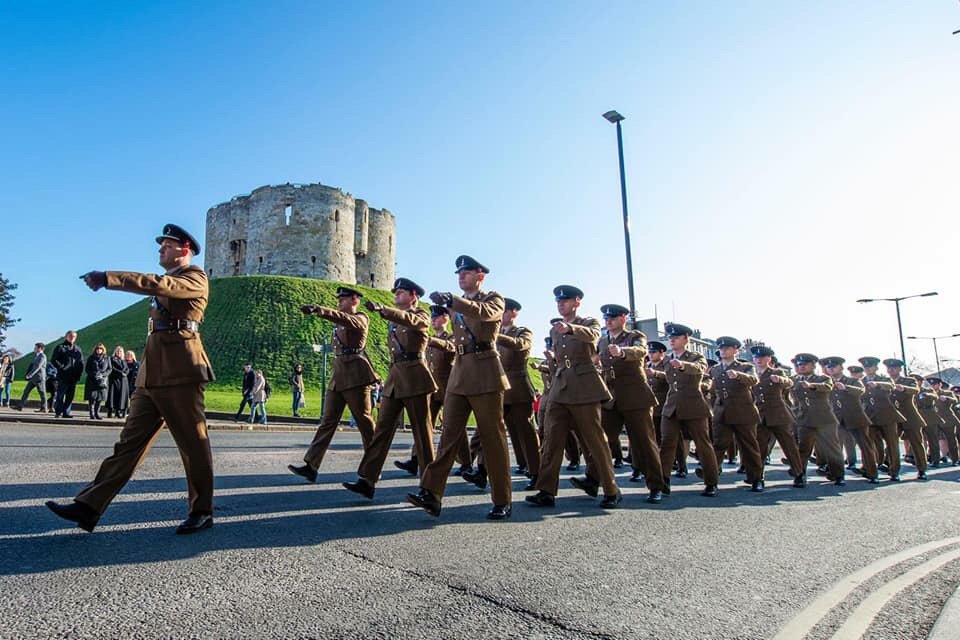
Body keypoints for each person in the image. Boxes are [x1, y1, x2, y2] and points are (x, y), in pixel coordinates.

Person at [46, 223, 217, 535]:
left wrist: (108, 278)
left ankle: (202, 510)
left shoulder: (194, 277)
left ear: (185, 249)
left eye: (166, 244)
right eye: (161, 244)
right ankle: (89, 506)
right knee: (128, 445)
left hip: (180, 372)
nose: (160, 248)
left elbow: (158, 284)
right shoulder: (167, 282)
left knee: (193, 445)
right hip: (151, 375)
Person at [409, 255, 513, 520]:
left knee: (493, 438)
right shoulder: (455, 305)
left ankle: (502, 499)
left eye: (466, 272)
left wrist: (453, 301)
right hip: (460, 372)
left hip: (486, 371)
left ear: (480, 275)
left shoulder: (493, 299)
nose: (461, 277)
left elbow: (485, 314)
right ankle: (431, 494)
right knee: (448, 436)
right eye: (459, 273)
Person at [526, 285, 622, 509]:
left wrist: (570, 328)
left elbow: (593, 336)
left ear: (577, 302)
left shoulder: (589, 323)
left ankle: (611, 489)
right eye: (558, 301)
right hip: (561, 387)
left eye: (566, 301)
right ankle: (546, 490)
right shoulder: (553, 331)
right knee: (551, 439)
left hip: (584, 386)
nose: (561, 304)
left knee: (595, 440)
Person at [343, 277, 437, 499]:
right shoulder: (393, 321)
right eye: (395, 292)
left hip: (415, 377)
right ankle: (368, 479)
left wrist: (384, 309)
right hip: (395, 378)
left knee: (422, 435)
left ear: (414, 295)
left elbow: (409, 321)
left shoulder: (421, 315)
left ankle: (430, 487)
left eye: (401, 292)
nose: (396, 295)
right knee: (382, 431)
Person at [288, 286, 379, 483]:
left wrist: (321, 310)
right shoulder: (338, 323)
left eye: (344, 299)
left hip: (356, 375)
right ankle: (311, 465)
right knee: (328, 421)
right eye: (339, 300)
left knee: (364, 421)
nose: (339, 302)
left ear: (355, 300)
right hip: (339, 375)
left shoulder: (361, 318)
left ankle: (373, 466)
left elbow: (348, 320)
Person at [464, 297, 540, 490]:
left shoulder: (522, 331)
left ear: (513, 313)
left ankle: (537, 472)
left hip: (518, 391)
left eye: (505, 311)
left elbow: (520, 344)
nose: (501, 314)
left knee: (526, 434)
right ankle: (481, 470)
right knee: (486, 432)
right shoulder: (490, 332)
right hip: (496, 388)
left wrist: (497, 337)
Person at [596, 303, 665, 502]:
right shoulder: (602, 341)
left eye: (613, 318)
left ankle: (656, 486)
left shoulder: (634, 336)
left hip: (635, 396)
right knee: (602, 440)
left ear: (623, 319)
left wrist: (623, 352)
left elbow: (640, 350)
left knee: (644, 443)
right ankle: (594, 480)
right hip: (612, 398)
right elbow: (595, 359)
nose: (608, 321)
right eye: (606, 319)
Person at [650, 324, 719, 497]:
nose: (672, 340)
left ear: (686, 339)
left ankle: (711, 482)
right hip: (671, 405)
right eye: (670, 338)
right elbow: (666, 377)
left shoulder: (696, 356)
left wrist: (682, 365)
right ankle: (660, 484)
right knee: (666, 445)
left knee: (703, 444)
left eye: (676, 337)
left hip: (693, 405)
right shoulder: (666, 359)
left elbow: (700, 369)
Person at [708, 336, 764, 492]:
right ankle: (711, 481)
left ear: (735, 350)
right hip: (722, 412)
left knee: (749, 446)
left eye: (727, 348)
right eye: (721, 348)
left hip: (743, 411)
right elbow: (713, 392)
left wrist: (739, 376)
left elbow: (754, 380)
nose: (723, 351)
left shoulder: (745, 367)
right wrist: (715, 407)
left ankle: (756, 478)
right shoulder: (715, 369)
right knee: (718, 446)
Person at [820, 356, 879, 484]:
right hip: (836, 419)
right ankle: (837, 475)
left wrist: (845, 387)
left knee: (866, 446)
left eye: (833, 366)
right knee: (835, 448)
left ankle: (872, 473)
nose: (830, 369)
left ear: (841, 367)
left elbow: (860, 391)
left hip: (855, 417)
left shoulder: (852, 380)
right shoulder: (826, 383)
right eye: (828, 367)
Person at [791, 353, 845, 487]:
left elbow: (828, 387)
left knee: (832, 449)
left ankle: (838, 475)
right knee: (803, 449)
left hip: (824, 419)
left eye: (805, 364)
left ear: (813, 365)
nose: (801, 367)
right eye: (799, 365)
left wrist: (811, 385)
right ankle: (799, 475)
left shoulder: (823, 378)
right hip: (804, 419)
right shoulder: (794, 380)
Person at [859, 356, 905, 481]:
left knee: (892, 444)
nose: (868, 369)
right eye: (866, 367)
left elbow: (890, 386)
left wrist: (877, 384)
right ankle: (872, 471)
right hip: (869, 417)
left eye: (871, 367)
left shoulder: (884, 379)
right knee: (870, 445)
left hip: (887, 416)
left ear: (876, 367)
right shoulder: (861, 381)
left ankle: (894, 471)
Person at [885, 358, 927, 480]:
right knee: (892, 445)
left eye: (894, 368)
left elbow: (915, 390)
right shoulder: (885, 382)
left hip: (910, 416)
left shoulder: (908, 380)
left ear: (899, 369)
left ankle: (922, 469)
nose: (891, 370)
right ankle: (894, 471)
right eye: (889, 368)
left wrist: (904, 388)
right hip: (893, 417)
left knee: (916, 443)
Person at [52, 330, 84, 418]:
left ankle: (66, 412)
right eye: (70, 336)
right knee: (60, 395)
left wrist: (79, 374)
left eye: (74, 337)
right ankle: (58, 412)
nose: (72, 338)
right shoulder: (60, 347)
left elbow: (81, 362)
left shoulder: (77, 349)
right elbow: (54, 360)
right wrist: (62, 367)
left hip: (73, 376)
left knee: (70, 396)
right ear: (66, 336)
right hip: (63, 376)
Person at [14, 343, 48, 412]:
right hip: (33, 378)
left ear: (40, 348)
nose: (34, 349)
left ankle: (44, 408)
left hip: (39, 378)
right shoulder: (36, 355)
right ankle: (20, 406)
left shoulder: (42, 356)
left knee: (42, 393)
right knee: (26, 391)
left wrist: (30, 375)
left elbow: (37, 367)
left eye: (35, 348)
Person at [84, 343, 110, 420]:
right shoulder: (91, 358)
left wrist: (103, 375)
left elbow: (109, 369)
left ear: (103, 350)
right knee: (92, 398)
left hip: (102, 381)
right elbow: (87, 369)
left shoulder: (107, 358)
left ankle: (97, 413)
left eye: (100, 349)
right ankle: (91, 414)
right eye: (97, 349)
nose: (99, 350)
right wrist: (94, 374)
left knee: (99, 398)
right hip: (92, 380)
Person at [106, 346, 130, 419]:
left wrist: (125, 373)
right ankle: (109, 412)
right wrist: (120, 373)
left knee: (120, 396)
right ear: (115, 352)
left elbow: (127, 369)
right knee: (112, 396)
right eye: (118, 351)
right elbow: (112, 368)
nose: (119, 353)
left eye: (120, 351)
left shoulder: (123, 361)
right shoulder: (112, 359)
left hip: (123, 381)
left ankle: (118, 412)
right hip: (114, 380)